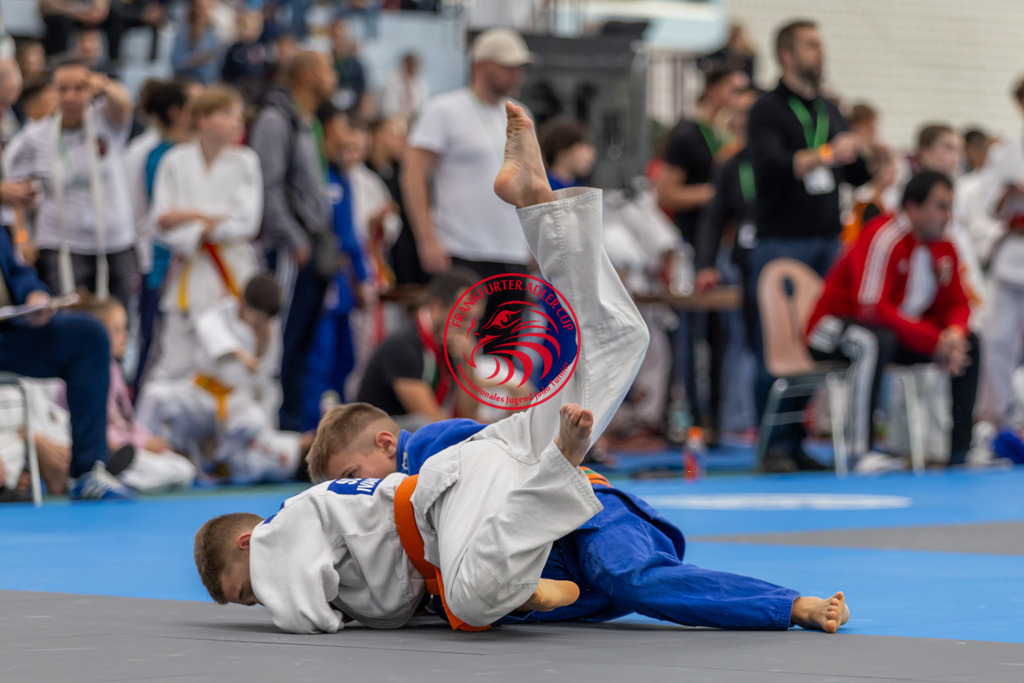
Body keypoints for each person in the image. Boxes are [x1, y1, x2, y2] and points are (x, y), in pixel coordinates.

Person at [194, 103, 849, 636]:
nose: (346, 489)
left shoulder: (424, 453)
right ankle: (539, 202)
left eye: (346, 474)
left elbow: (486, 468)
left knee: (618, 576)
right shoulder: (380, 539)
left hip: (583, 516)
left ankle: (792, 603)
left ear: (385, 442)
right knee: (620, 337)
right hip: (539, 543)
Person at [746, 20, 874, 472]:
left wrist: (866, 155)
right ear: (786, 55)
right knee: (777, 344)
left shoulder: (829, 109)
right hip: (782, 242)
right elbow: (769, 167)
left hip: (827, 242)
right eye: (812, 45)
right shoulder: (767, 108)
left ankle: (796, 439)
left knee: (814, 343)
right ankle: (772, 445)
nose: (821, 53)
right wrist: (823, 155)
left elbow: (856, 177)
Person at [805, 171, 979, 467]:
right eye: (940, 206)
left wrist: (953, 335)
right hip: (832, 327)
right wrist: (933, 340)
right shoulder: (883, 235)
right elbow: (871, 309)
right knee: (871, 342)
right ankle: (861, 451)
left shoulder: (944, 247)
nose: (947, 215)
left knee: (972, 343)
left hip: (890, 335)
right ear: (913, 207)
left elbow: (958, 303)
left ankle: (958, 451)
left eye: (950, 206)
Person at [0, 180, 130, 499]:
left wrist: (34, 296)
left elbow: (17, 271)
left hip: (6, 330)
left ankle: (88, 471)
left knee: (88, 336)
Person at [402, 28, 533, 331]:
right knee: (457, 349)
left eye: (520, 68)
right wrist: (426, 239)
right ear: (480, 65)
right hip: (461, 250)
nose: (517, 75)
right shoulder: (444, 109)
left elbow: (528, 184)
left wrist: (533, 243)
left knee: (504, 357)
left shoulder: (520, 116)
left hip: (511, 252)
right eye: (508, 67)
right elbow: (413, 176)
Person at [143, 85, 261, 386]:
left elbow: (247, 221)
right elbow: (160, 221)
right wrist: (207, 220)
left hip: (232, 269)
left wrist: (187, 216)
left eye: (238, 116)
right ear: (203, 120)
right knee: (175, 362)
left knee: (231, 359)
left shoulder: (246, 161)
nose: (238, 122)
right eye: (228, 114)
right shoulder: (175, 161)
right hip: (190, 266)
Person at [137, 274, 307, 484]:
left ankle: (219, 461)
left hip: (236, 402)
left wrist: (267, 427)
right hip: (202, 394)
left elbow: (268, 383)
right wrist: (239, 353)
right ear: (242, 303)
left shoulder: (270, 334)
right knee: (155, 395)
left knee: (256, 421)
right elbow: (209, 333)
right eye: (257, 319)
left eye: (265, 321)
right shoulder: (220, 313)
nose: (259, 325)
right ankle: (139, 453)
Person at [6, 59, 136, 308]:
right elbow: (13, 191)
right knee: (70, 319)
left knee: (119, 320)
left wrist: (105, 86)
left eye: (79, 88)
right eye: (62, 89)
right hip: (62, 244)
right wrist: (22, 237)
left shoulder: (106, 120)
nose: (70, 96)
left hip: (115, 242)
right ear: (51, 91)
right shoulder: (35, 137)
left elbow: (125, 103)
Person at [65, 293, 197, 491]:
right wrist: (141, 444)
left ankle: (117, 475)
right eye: (117, 331)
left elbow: (126, 420)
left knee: (184, 469)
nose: (125, 336)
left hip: (128, 446)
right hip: (105, 448)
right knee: (168, 472)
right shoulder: (81, 372)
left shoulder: (114, 370)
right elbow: (93, 427)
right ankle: (107, 474)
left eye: (125, 329)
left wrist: (147, 439)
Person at [355, 268, 482, 430]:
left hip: (406, 433)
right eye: (462, 317)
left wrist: (468, 364)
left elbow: (469, 414)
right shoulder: (403, 345)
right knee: (424, 424)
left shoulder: (451, 344)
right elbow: (431, 419)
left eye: (474, 320)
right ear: (436, 306)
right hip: (373, 432)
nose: (468, 328)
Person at [171, 0, 221, 85]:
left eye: (207, 8)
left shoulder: (213, 33)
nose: (204, 12)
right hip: (187, 82)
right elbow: (177, 62)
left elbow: (217, 64)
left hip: (209, 83)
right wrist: (196, 59)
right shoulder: (183, 32)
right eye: (201, 8)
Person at [538, 117, 596, 191]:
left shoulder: (580, 186)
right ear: (563, 150)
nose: (591, 156)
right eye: (584, 148)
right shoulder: (544, 187)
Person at [379, 52, 427, 123]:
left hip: (412, 118)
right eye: (410, 65)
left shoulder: (420, 82)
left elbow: (422, 104)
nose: (413, 69)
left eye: (415, 66)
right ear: (404, 65)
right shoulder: (390, 79)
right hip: (392, 117)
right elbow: (388, 104)